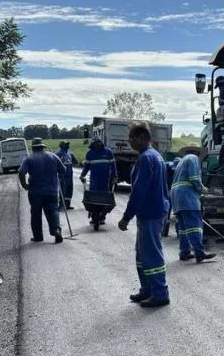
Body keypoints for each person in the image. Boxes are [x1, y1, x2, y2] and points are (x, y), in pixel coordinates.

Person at [118, 121, 170, 308]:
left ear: (142, 138)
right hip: (155, 211)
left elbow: (139, 191)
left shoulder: (146, 159)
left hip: (151, 213)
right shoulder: (156, 156)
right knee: (142, 255)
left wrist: (126, 216)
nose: (130, 143)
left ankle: (159, 293)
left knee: (151, 255)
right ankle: (147, 289)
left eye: (132, 139)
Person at [170, 146, 216, 263]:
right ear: (197, 152)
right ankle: (200, 252)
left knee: (183, 227)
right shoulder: (193, 158)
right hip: (187, 196)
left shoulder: (181, 161)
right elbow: (194, 178)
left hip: (176, 196)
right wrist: (203, 189)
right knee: (195, 225)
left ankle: (184, 252)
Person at [18, 138, 65, 243]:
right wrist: (57, 176)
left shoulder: (28, 158)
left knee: (36, 214)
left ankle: (38, 237)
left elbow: (21, 173)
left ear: (33, 148)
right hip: (51, 191)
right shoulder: (53, 156)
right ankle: (56, 230)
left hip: (35, 192)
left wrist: (24, 185)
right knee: (53, 212)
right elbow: (63, 170)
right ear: (43, 147)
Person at [79, 136, 117, 227]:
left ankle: (102, 215)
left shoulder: (108, 152)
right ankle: (93, 215)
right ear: (93, 144)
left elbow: (113, 166)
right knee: (93, 199)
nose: (98, 145)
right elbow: (87, 166)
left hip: (105, 181)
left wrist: (115, 176)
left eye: (99, 143)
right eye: (96, 143)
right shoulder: (90, 153)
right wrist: (82, 175)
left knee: (105, 199)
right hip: (94, 181)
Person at [55, 141, 79, 210]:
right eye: (66, 145)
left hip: (70, 175)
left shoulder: (70, 154)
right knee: (62, 191)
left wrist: (79, 163)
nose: (68, 146)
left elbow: (75, 162)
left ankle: (67, 205)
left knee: (69, 190)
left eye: (68, 145)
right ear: (62, 146)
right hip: (63, 176)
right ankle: (61, 206)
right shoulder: (58, 154)